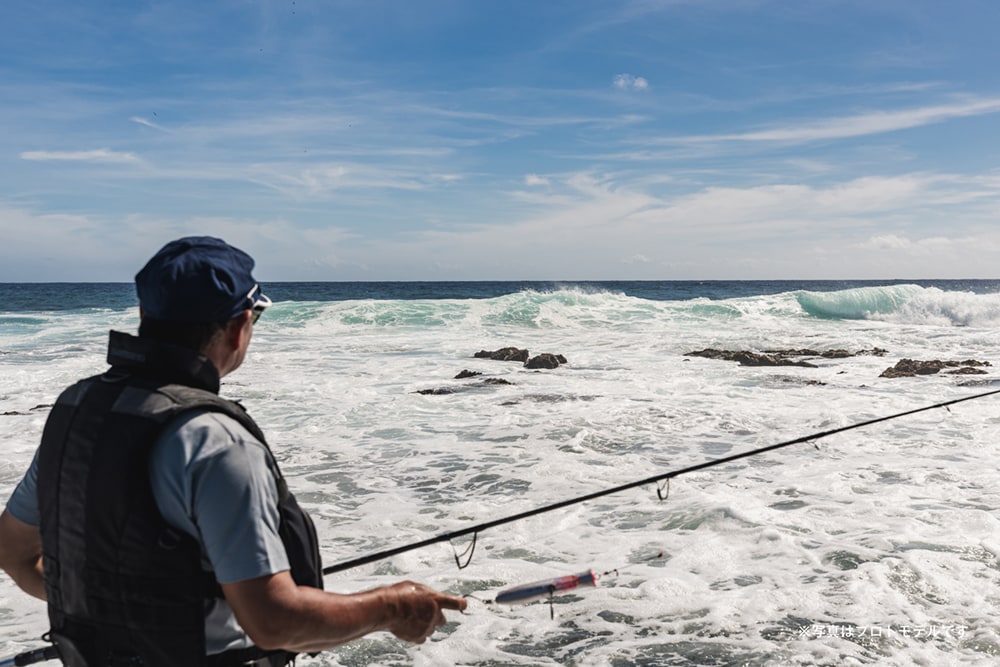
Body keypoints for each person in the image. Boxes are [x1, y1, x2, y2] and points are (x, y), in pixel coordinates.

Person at [0, 236, 466, 667]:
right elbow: (274, 623)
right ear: (240, 326)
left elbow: (15, 554)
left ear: (144, 314)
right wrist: (393, 606)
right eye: (255, 317)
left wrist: (117, 612)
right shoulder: (215, 441)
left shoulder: (79, 408)